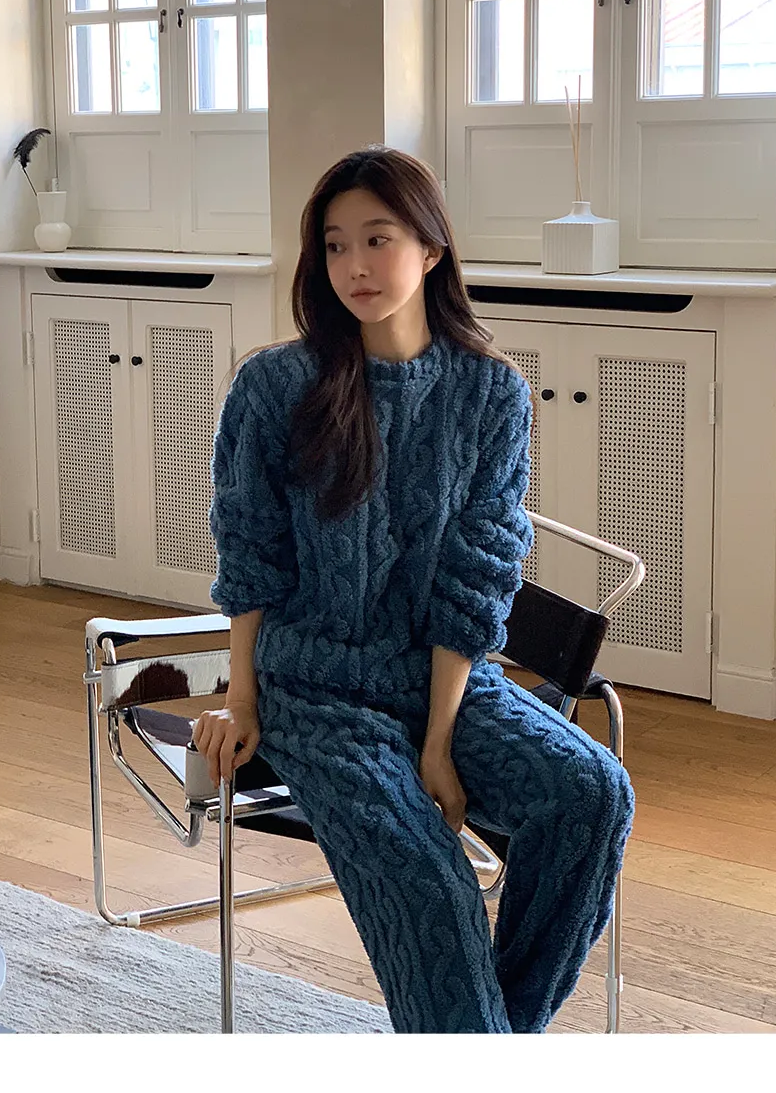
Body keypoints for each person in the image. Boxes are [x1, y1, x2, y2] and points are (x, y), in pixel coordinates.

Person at [194, 147, 635, 1037]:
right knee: (428, 881)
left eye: (378, 239)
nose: (354, 265)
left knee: (592, 792)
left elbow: (478, 579)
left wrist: (438, 742)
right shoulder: (274, 386)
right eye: (334, 245)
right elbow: (250, 557)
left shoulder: (492, 394)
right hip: (313, 690)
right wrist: (241, 697)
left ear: (431, 248)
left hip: (444, 684)